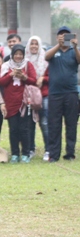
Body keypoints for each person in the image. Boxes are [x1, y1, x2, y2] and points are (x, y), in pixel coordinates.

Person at [45, 26, 80, 162]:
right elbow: (46, 57)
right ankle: (54, 155)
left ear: (70, 37)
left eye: (66, 35)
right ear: (57, 37)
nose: (63, 37)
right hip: (55, 94)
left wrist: (75, 46)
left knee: (71, 124)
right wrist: (58, 45)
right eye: (61, 35)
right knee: (54, 125)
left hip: (71, 93)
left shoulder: (74, 50)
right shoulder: (53, 51)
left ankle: (70, 153)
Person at [0, 44, 37, 163]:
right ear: (12, 55)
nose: (18, 56)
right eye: (16, 54)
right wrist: (11, 75)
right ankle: (15, 154)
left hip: (24, 101)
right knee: (13, 128)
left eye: (21, 54)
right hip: (10, 101)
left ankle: (25, 154)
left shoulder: (27, 64)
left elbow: (33, 80)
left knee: (24, 128)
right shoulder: (6, 65)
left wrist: (23, 77)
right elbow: (1, 82)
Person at [25, 35, 49, 160]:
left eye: (36, 44)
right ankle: (30, 149)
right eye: (32, 43)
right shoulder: (24, 60)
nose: (34, 46)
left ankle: (48, 150)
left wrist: (43, 78)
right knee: (29, 123)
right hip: (28, 95)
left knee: (44, 122)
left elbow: (52, 76)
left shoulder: (46, 59)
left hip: (44, 94)